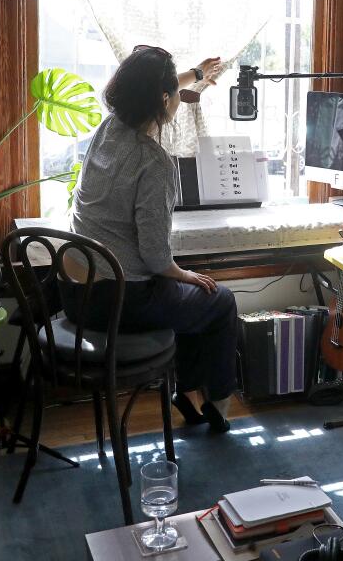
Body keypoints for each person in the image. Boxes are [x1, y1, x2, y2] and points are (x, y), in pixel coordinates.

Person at [67, 46, 236, 432]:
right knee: (217, 299)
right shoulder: (153, 161)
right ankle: (219, 403)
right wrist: (183, 274)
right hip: (121, 302)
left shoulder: (106, 130)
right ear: (162, 99)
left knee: (190, 297)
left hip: (79, 294)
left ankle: (189, 394)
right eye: (173, 93)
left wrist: (195, 73)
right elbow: (156, 256)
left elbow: (150, 87)